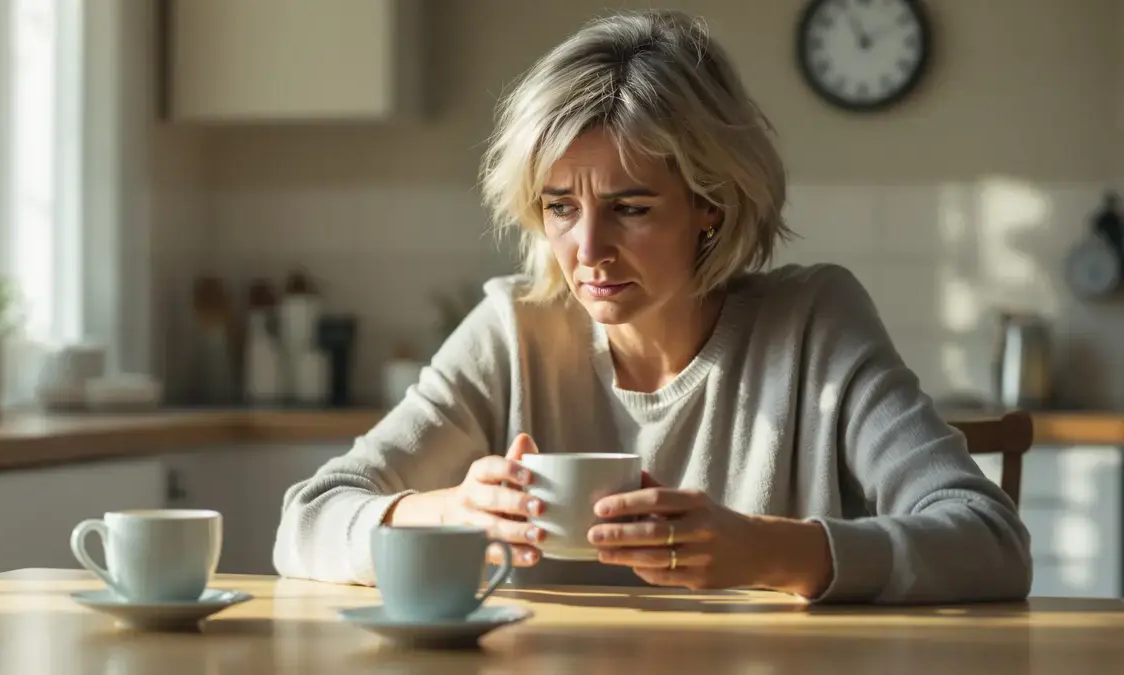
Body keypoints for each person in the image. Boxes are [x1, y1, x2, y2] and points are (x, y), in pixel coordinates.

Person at [273, 9, 1031, 604]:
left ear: (711, 204)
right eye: (560, 206)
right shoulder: (513, 329)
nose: (587, 249)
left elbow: (991, 540)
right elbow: (306, 520)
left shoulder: (811, 323)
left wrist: (766, 550)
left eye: (631, 208)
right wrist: (447, 513)